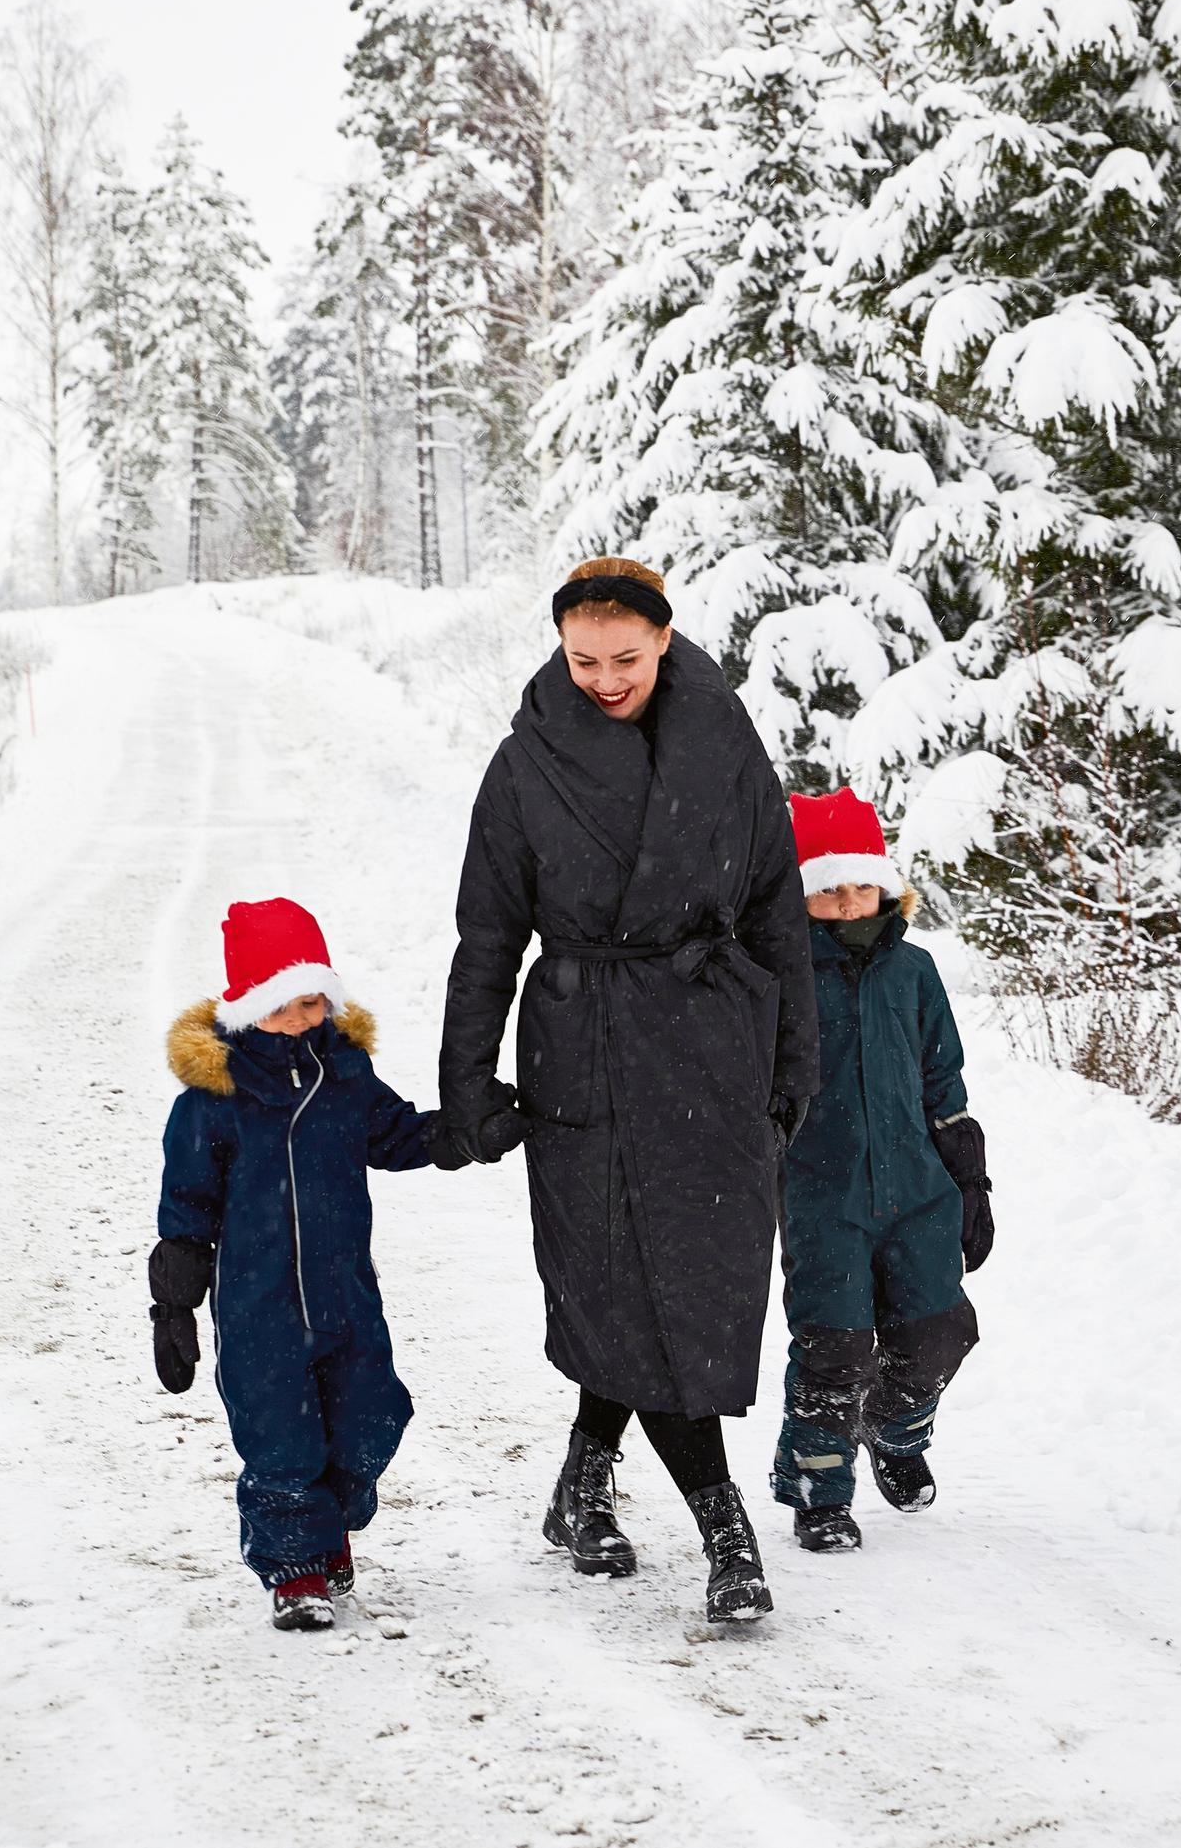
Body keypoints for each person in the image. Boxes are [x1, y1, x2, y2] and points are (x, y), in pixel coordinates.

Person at [439, 557, 818, 1623]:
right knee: (622, 1285)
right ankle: (725, 1530)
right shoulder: (523, 768)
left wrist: (795, 1058)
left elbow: (778, 910)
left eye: (626, 658)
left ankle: (579, 1484)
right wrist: (466, 1080)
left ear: (663, 642)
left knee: (681, 1285)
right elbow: (485, 937)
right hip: (586, 1050)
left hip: (707, 1042)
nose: (605, 678)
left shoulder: (727, 744)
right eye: (582, 659)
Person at [150, 896, 518, 1631]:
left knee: (371, 1417)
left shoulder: (344, 1078)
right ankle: (296, 1571)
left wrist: (469, 1135)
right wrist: (173, 1303)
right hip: (258, 1309)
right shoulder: (213, 1100)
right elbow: (186, 1207)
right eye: (284, 1006)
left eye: (314, 1001)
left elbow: (398, 1135)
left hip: (346, 1296)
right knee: (280, 1441)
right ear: (248, 1007)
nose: (303, 1018)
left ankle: (332, 1525)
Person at [770, 787, 993, 1552]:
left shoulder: (914, 970)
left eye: (859, 882)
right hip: (819, 1193)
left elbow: (943, 1077)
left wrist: (969, 1178)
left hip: (918, 1190)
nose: (847, 898)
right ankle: (818, 1490)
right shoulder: (778, 974)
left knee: (938, 1333)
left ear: (884, 883)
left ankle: (894, 1433)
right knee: (831, 1353)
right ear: (802, 894)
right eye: (827, 887)